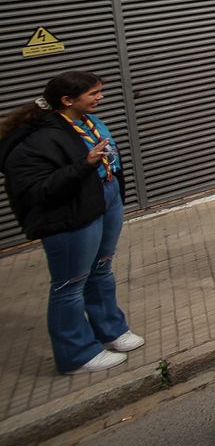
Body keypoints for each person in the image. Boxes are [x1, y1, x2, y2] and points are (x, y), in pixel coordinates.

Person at [0, 72, 143, 375]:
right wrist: (84, 165)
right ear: (67, 100)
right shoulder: (35, 139)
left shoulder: (85, 122)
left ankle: (111, 331)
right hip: (70, 215)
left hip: (103, 200)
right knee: (69, 285)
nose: (100, 98)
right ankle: (76, 354)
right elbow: (34, 190)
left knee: (101, 268)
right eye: (93, 94)